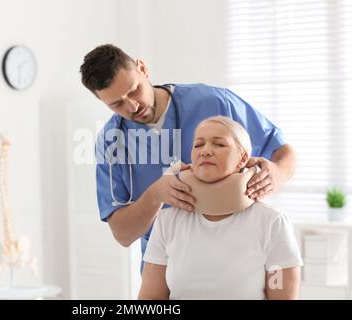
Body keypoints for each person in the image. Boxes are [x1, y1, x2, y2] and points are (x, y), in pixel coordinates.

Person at [79, 44, 297, 268]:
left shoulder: (214, 102)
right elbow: (123, 234)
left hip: (237, 259)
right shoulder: (111, 142)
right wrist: (155, 195)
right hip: (165, 271)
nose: (132, 106)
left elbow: (283, 151)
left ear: (143, 68)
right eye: (117, 104)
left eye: (134, 90)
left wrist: (278, 173)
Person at [139, 116, 303, 300]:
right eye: (198, 145)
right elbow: (150, 300)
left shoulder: (271, 222)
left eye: (219, 144)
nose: (205, 151)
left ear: (242, 159)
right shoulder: (167, 220)